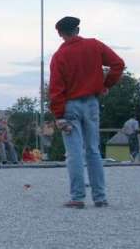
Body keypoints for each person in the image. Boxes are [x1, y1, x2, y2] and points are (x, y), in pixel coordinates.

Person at [49, 15, 125, 208]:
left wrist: (58, 116)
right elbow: (118, 64)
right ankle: (100, 197)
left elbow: (56, 89)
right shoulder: (95, 46)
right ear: (78, 30)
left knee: (74, 153)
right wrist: (106, 84)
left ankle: (77, 197)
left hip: (70, 106)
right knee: (93, 151)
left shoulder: (59, 56)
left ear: (60, 33)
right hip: (92, 103)